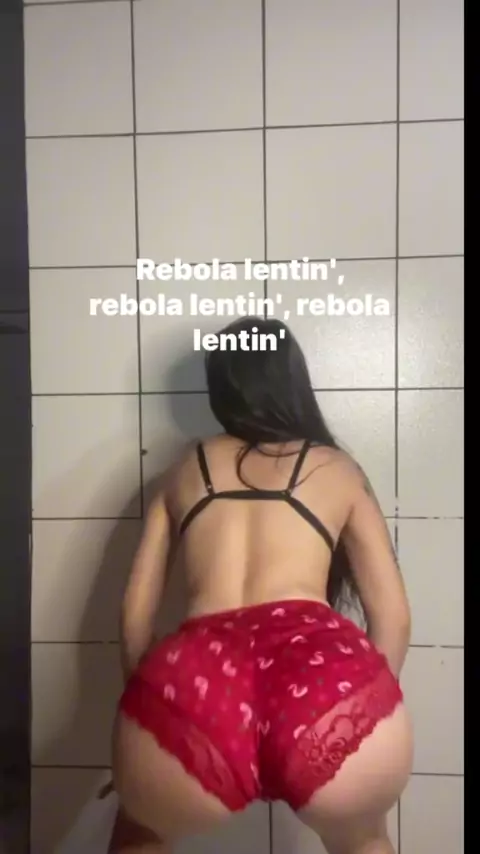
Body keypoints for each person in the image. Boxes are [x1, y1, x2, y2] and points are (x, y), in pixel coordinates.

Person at [111, 317, 413, 854]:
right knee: (362, 842)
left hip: (197, 682)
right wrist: (366, 698)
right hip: (325, 682)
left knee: (140, 831)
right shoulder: (336, 469)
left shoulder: (184, 469)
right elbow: (392, 616)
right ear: (293, 378)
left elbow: (134, 616)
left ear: (220, 386)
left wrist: (150, 707)